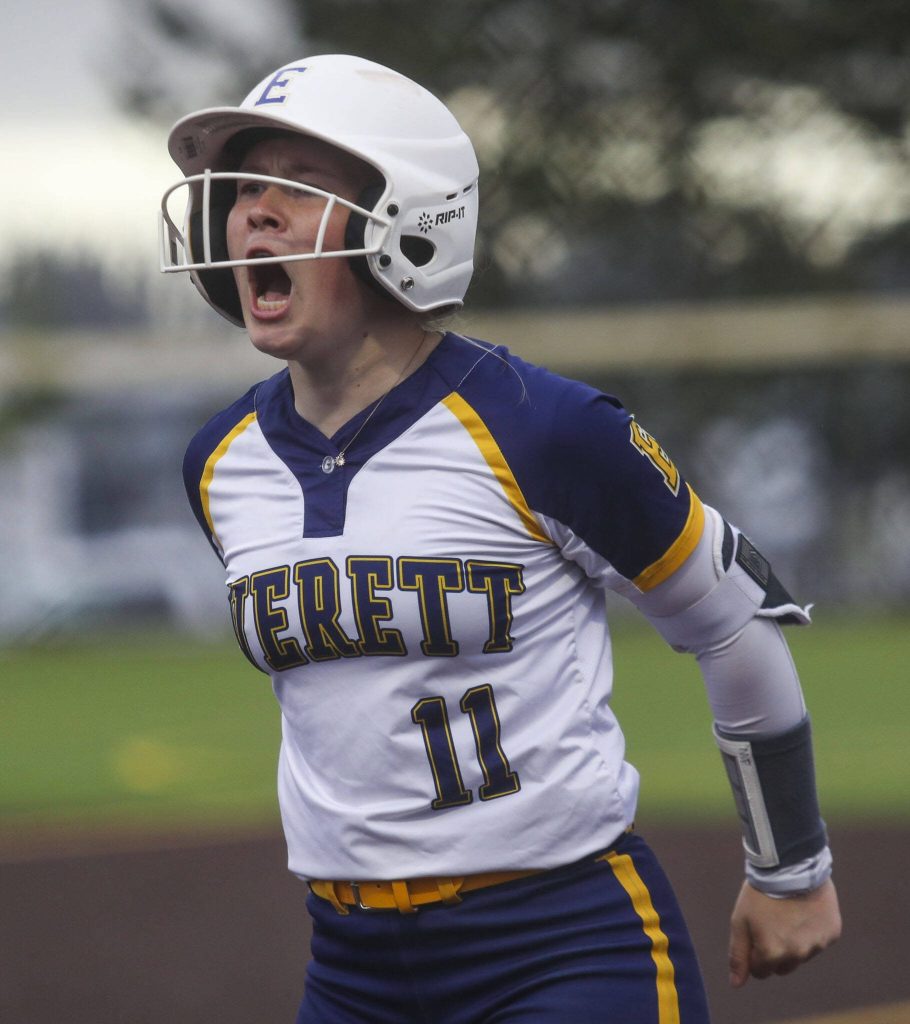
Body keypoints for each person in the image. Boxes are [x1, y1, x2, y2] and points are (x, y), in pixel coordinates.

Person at [159, 54, 841, 1023]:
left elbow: (731, 624)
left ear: (411, 218)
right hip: (348, 966)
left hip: (560, 943)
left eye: (299, 186)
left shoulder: (541, 428)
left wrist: (790, 867)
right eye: (243, 189)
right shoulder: (217, 462)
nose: (252, 215)